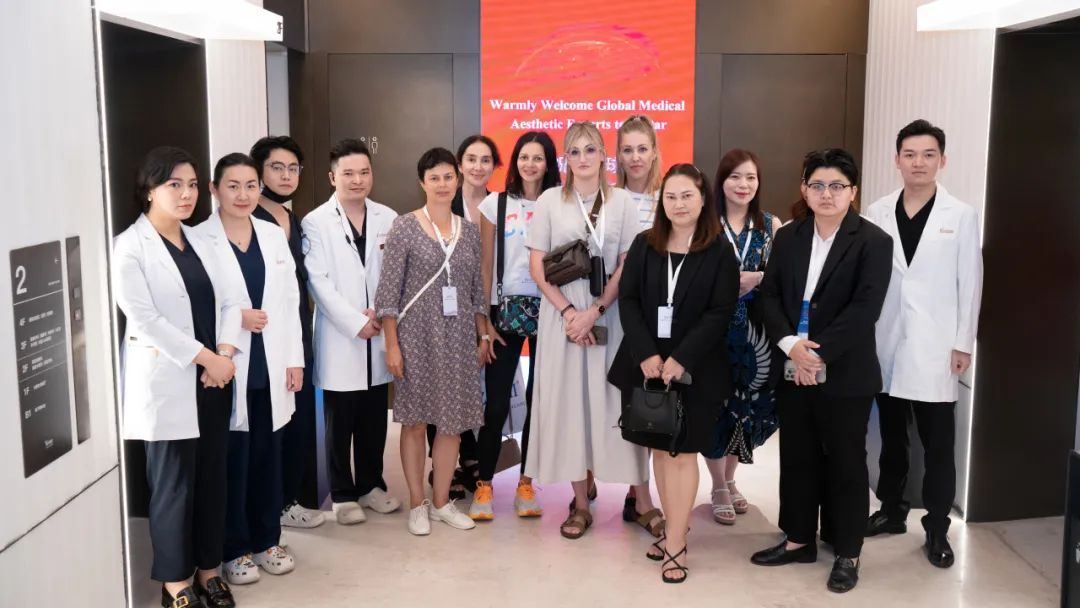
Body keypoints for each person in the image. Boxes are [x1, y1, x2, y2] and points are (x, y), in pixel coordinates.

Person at [749, 148, 892, 594]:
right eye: (817, 185)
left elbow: (865, 308)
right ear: (804, 190)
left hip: (845, 371)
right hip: (793, 366)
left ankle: (848, 550)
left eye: (836, 186)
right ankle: (798, 540)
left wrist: (818, 353)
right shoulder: (788, 236)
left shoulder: (873, 241)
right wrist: (791, 346)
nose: (826, 194)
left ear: (853, 192)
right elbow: (770, 296)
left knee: (847, 463)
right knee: (797, 456)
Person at [113, 147, 243, 608]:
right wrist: (206, 358)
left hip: (213, 381)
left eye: (191, 185)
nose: (186, 194)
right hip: (169, 382)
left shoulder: (203, 241)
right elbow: (144, 318)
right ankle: (174, 584)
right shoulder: (131, 245)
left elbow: (232, 301)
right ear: (150, 189)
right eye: (174, 185)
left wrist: (222, 355)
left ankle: (209, 571)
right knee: (172, 487)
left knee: (212, 479)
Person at [524, 121, 656, 540]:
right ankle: (580, 503)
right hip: (561, 319)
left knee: (617, 403)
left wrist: (595, 310)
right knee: (570, 407)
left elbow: (626, 264)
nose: (583, 158)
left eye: (590, 150)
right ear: (566, 159)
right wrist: (570, 313)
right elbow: (537, 266)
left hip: (609, 314)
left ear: (604, 155)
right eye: (575, 151)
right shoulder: (550, 200)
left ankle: (642, 500)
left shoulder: (621, 202)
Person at [609, 163, 739, 583]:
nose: (679, 204)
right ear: (661, 201)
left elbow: (720, 312)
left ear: (703, 200)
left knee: (682, 453)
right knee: (661, 453)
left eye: (687, 196)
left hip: (696, 369)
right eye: (671, 196)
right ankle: (673, 529)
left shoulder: (719, 251)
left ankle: (677, 543)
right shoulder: (645, 244)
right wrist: (646, 353)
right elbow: (628, 300)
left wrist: (681, 358)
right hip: (648, 368)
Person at [863, 119, 983, 568]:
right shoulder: (877, 211)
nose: (918, 163)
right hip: (887, 341)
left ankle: (936, 527)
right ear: (897, 160)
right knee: (892, 439)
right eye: (910, 155)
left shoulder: (961, 215)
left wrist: (963, 343)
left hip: (937, 347)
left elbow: (970, 283)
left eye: (928, 155)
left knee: (938, 446)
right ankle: (891, 511)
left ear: (942, 160)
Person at [375, 147, 489, 536]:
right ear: (422, 183)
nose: (442, 184)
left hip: (457, 339)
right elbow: (388, 293)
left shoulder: (469, 230)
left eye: (448, 177)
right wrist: (392, 344)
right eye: (434, 178)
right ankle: (416, 503)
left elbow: (475, 290)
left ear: (458, 179)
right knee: (414, 421)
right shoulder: (404, 227)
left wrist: (482, 333)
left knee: (452, 424)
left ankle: (441, 502)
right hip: (415, 336)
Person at [301, 139, 400, 525]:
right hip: (341, 335)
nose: (357, 180)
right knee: (339, 422)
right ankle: (343, 494)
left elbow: (395, 275)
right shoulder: (315, 222)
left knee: (375, 417)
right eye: (348, 173)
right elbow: (318, 282)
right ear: (332, 177)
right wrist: (355, 322)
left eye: (364, 172)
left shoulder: (388, 217)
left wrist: (381, 313)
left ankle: (372, 485)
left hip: (378, 331)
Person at [468, 131, 561, 520]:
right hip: (503, 312)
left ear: (548, 163)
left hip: (551, 310)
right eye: (524, 156)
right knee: (496, 403)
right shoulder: (495, 204)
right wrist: (483, 323)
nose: (530, 164)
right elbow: (484, 266)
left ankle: (527, 484)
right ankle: (484, 485)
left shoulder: (560, 203)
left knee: (540, 402)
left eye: (538, 158)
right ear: (515, 161)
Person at [702, 149, 783, 525]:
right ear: (721, 181)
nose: (743, 184)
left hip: (757, 332)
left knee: (747, 408)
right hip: (713, 329)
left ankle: (731, 478)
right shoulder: (706, 223)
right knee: (715, 406)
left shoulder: (770, 224)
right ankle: (718, 484)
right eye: (735, 176)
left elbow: (784, 276)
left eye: (750, 177)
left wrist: (759, 277)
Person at [248, 136, 325, 530]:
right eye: (276, 168)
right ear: (259, 172)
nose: (286, 175)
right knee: (269, 428)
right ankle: (268, 511)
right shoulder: (249, 218)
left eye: (293, 168)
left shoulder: (291, 218)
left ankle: (287, 503)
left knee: (297, 421)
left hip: (297, 334)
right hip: (263, 338)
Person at [429, 134, 502, 498]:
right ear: (459, 165)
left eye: (486, 160)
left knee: (479, 387)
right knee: (443, 385)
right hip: (446, 310)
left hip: (488, 305)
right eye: (471, 159)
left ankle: (472, 456)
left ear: (494, 166)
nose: (478, 166)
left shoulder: (501, 205)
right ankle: (443, 463)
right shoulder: (444, 201)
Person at [616, 115, 662, 230]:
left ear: (654, 153)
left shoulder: (667, 200)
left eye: (642, 149)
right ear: (619, 155)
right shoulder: (608, 200)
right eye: (627, 150)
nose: (635, 158)